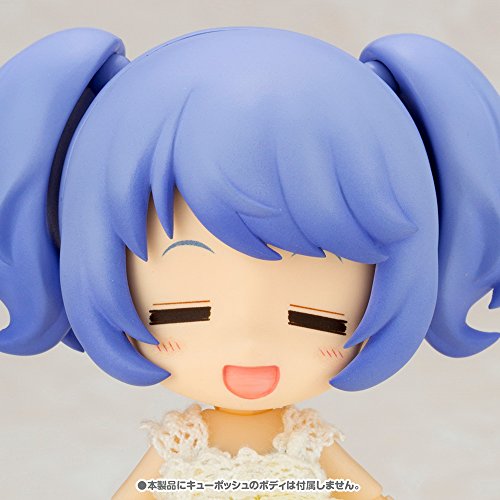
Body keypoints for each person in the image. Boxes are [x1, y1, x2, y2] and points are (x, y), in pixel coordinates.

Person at [0, 26, 498, 499]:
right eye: (183, 312)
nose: (250, 343)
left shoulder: (302, 438)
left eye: (316, 318)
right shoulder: (185, 440)